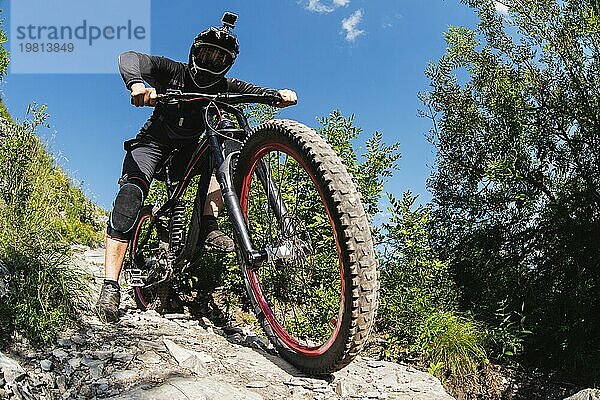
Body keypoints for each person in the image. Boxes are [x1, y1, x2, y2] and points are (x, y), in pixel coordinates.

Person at [96, 14, 297, 322]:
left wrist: (276, 95)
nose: (212, 61)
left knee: (226, 153)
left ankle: (208, 225)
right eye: (207, 54)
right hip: (154, 144)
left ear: (227, 64)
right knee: (131, 197)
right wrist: (137, 83)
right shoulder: (172, 71)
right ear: (194, 53)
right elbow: (130, 58)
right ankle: (111, 284)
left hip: (188, 151)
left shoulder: (224, 86)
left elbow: (254, 90)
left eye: (220, 58)